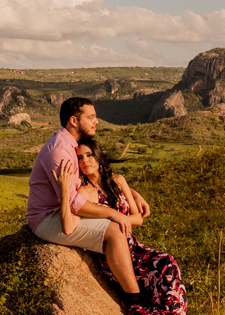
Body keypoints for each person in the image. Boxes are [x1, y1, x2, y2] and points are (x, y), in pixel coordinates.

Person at [57, 137, 215, 315]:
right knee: (156, 296)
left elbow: (137, 218)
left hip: (137, 250)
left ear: (99, 156)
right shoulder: (84, 191)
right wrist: (64, 189)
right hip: (115, 256)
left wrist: (118, 218)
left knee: (167, 264)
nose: (85, 161)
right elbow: (69, 224)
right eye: (79, 157)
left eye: (89, 155)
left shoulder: (118, 181)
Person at [25, 97, 150, 299]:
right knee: (114, 230)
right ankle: (133, 297)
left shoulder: (71, 145)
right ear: (74, 120)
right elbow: (74, 203)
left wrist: (134, 194)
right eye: (91, 117)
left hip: (64, 210)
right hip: (47, 218)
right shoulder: (59, 151)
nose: (96, 121)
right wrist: (113, 214)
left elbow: (94, 176)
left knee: (115, 225)